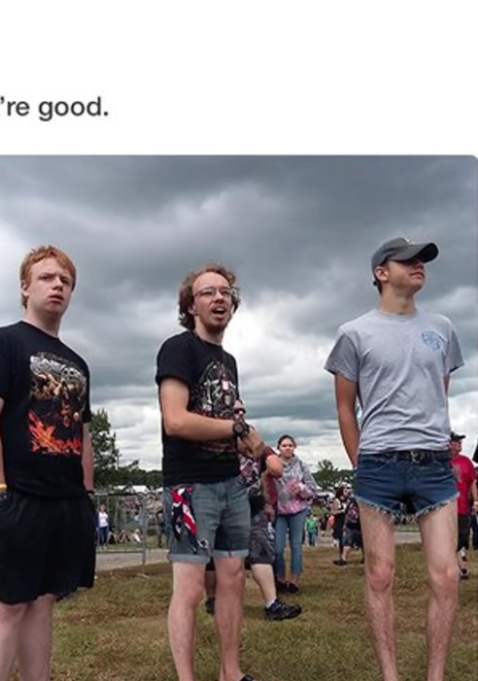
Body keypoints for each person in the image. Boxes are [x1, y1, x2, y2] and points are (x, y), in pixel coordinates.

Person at [325, 237, 463, 681]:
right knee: (380, 574)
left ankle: (435, 675)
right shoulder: (354, 332)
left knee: (445, 577)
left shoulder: (441, 327)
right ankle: (390, 675)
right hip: (379, 463)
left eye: (422, 259)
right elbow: (346, 407)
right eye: (408, 259)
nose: (419, 264)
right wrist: (358, 460)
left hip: (434, 464)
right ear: (381, 272)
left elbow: (439, 388)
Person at [0, 245, 96, 681]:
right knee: (8, 602)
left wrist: (87, 496)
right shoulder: (1, 343)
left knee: (44, 599)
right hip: (17, 494)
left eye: (65, 281)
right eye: (46, 277)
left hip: (66, 499)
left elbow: (83, 434)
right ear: (24, 287)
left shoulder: (77, 362)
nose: (57, 286)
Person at [156, 262, 268, 681]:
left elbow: (223, 422)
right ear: (191, 305)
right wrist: (241, 428)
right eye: (208, 293)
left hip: (230, 482)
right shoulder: (178, 348)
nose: (219, 298)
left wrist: (251, 443)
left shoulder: (229, 361)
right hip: (190, 484)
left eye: (225, 292)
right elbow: (176, 421)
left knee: (233, 579)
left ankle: (230, 673)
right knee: (188, 588)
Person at [205, 437, 302, 622]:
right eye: (236, 410)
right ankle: (212, 599)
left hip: (253, 506)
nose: (240, 415)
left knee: (261, 552)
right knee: (214, 555)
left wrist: (261, 456)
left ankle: (272, 604)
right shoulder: (213, 441)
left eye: (242, 411)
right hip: (220, 505)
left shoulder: (256, 442)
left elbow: (276, 469)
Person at [272, 435, 319, 594]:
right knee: (277, 547)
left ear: (294, 447)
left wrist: (301, 489)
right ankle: (279, 578)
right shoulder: (272, 464)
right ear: (278, 447)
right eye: (284, 445)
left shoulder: (301, 465)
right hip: (279, 511)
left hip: (298, 510)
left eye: (290, 445)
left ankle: (294, 580)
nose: (287, 448)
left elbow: (313, 489)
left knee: (296, 545)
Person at [449, 432, 477, 579]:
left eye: (460, 442)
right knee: (448, 539)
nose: (460, 444)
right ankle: (459, 569)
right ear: (449, 444)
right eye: (457, 442)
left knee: (462, 539)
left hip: (463, 507)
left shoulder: (466, 461)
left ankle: (458, 566)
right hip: (445, 508)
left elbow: (472, 483)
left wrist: (476, 502)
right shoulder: (441, 461)